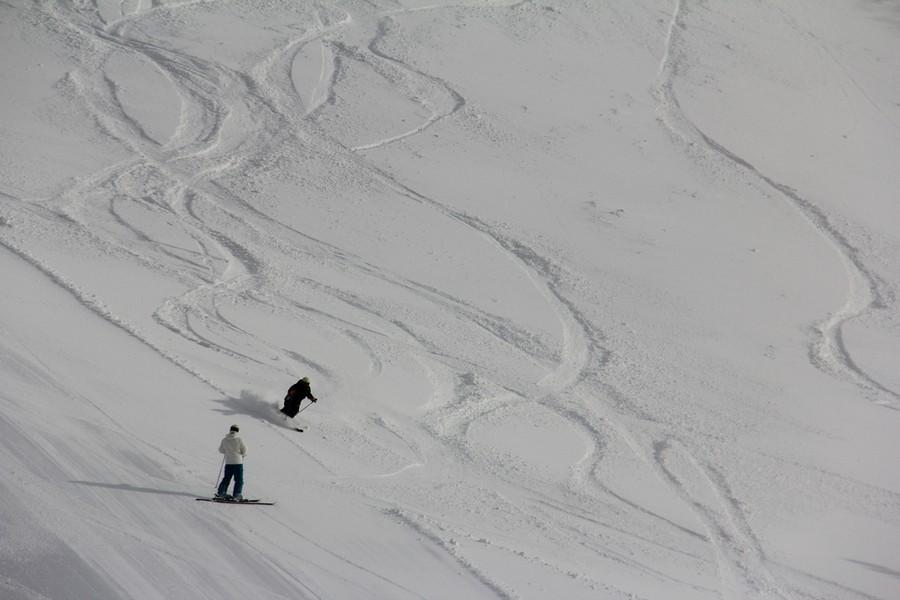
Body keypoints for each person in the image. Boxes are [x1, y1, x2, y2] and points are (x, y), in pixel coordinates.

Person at [216, 424, 247, 500]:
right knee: (239, 480)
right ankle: (237, 494)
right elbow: (244, 449)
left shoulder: (224, 439)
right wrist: (243, 454)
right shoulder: (239, 439)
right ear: (237, 431)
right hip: (238, 462)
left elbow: (221, 450)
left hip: (228, 462)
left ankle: (221, 492)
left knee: (226, 478)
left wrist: (227, 451)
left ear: (230, 430)